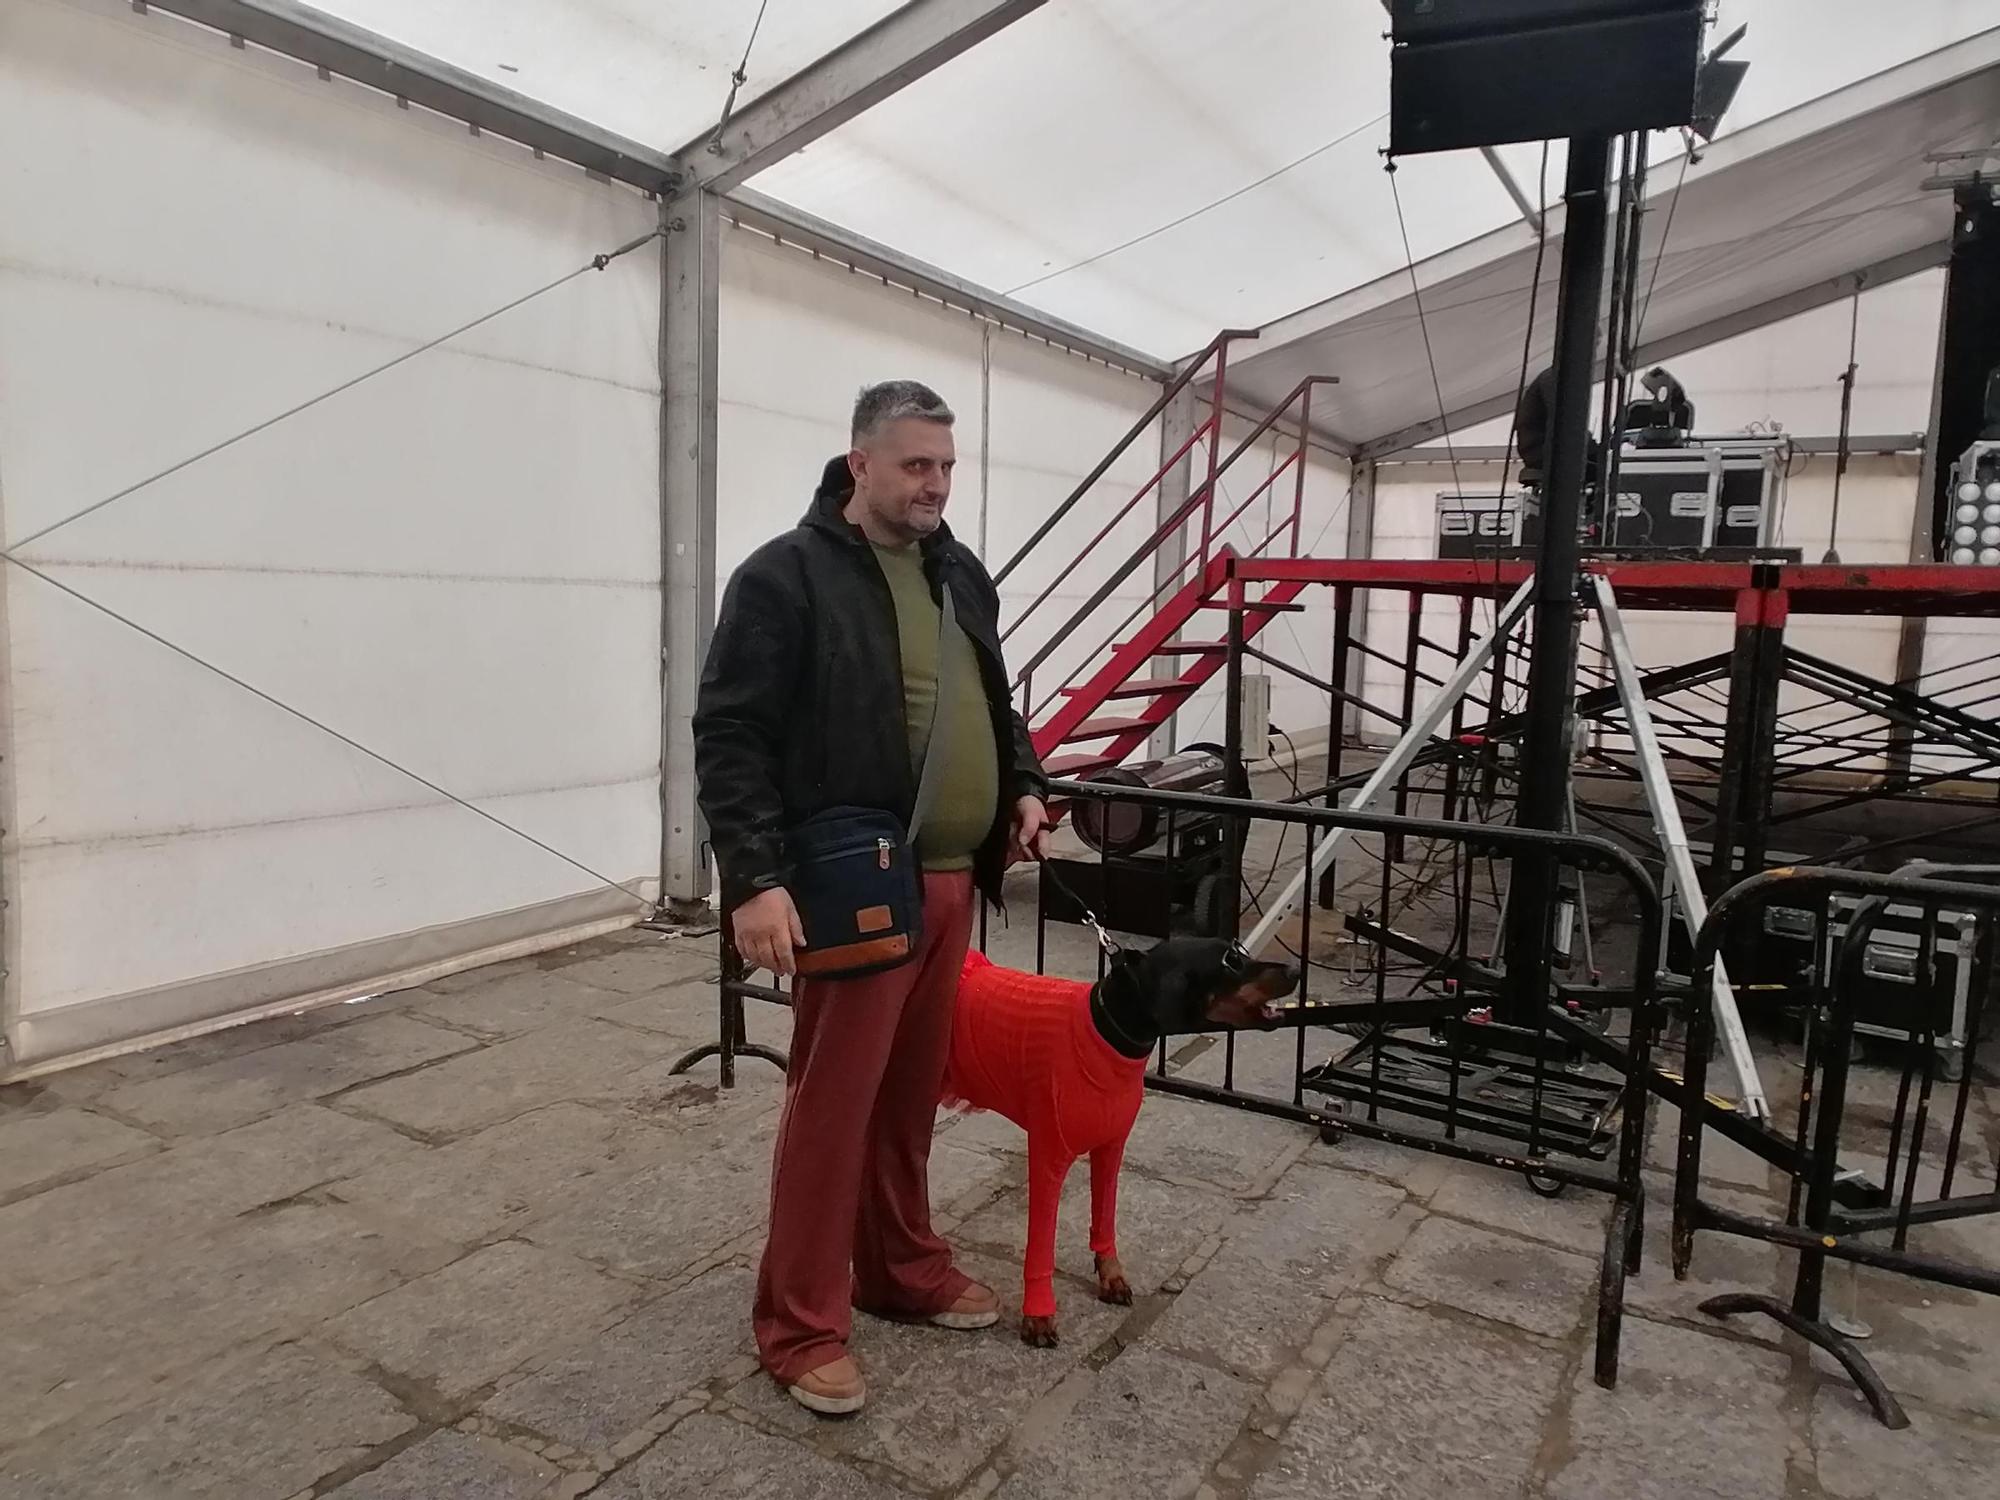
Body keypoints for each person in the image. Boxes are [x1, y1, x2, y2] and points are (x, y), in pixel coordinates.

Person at [693, 380, 1051, 1416]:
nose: (936, 484)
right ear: (860, 464)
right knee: (832, 1107)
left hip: (950, 882)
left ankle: (899, 1268)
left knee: (908, 1099)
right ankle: (799, 1323)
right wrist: (754, 880)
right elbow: (730, 734)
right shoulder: (784, 576)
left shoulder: (959, 572)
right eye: (915, 465)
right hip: (850, 883)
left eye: (947, 466)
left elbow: (994, 703)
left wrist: (1024, 785)